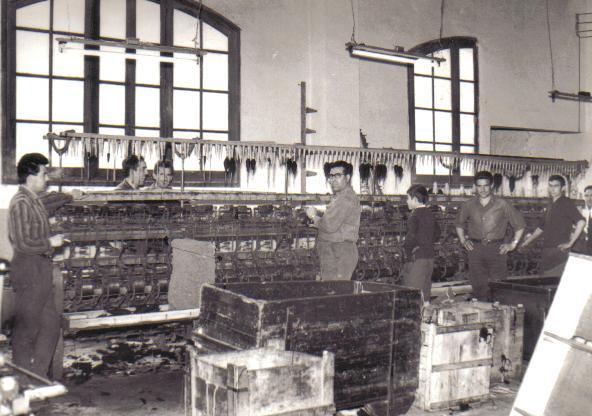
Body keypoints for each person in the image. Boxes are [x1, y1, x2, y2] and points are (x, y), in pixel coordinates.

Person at [8, 153, 76, 379]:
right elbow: (22, 242)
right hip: (29, 269)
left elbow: (50, 202)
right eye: (44, 174)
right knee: (26, 330)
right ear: (30, 176)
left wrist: (70, 196)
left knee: (51, 324)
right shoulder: (20, 203)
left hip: (42, 268)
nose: (47, 178)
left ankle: (37, 377)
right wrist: (50, 242)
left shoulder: (34, 200)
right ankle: (22, 380)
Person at [455, 171, 526, 301]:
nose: (482, 189)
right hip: (475, 250)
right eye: (479, 186)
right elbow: (459, 224)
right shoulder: (468, 204)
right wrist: (463, 240)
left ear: (491, 185)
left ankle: (499, 312)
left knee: (499, 286)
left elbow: (520, 225)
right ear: (475, 186)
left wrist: (513, 244)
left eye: (486, 185)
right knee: (478, 286)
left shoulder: (502, 204)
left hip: (497, 249)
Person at [306, 161, 360, 280]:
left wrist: (313, 216)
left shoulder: (345, 198)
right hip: (336, 250)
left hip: (339, 251)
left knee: (334, 288)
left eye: (338, 175)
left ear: (347, 177)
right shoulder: (340, 196)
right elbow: (335, 219)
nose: (333, 180)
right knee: (333, 287)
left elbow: (329, 225)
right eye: (331, 176)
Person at [520, 175, 585, 275]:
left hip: (559, 251)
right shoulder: (551, 203)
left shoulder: (566, 202)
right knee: (545, 279)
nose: (552, 189)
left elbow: (581, 221)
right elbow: (541, 227)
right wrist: (527, 241)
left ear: (563, 188)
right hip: (547, 250)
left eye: (556, 186)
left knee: (555, 280)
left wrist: (570, 243)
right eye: (550, 185)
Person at [402, 184, 439, 301]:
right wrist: (426, 242)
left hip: (417, 259)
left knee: (413, 294)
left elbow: (411, 238)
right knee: (425, 293)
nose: (407, 201)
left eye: (408, 198)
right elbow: (437, 233)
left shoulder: (414, 216)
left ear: (414, 199)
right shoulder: (430, 214)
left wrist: (407, 252)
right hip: (430, 257)